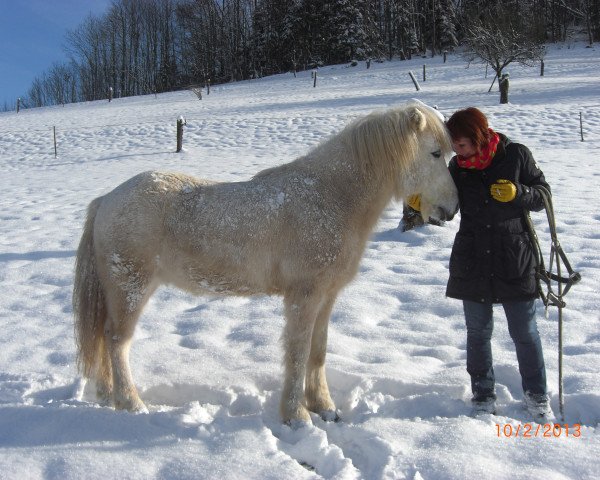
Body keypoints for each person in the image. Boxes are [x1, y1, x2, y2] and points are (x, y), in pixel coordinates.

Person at [444, 107, 552, 421]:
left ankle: (536, 395)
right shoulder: (457, 168)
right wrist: (422, 205)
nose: (457, 151)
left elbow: (543, 196)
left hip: (514, 258)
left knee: (525, 332)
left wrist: (520, 192)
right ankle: (482, 394)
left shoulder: (516, 155)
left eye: (462, 145)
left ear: (478, 138)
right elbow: (448, 207)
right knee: (477, 332)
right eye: (454, 146)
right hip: (472, 259)